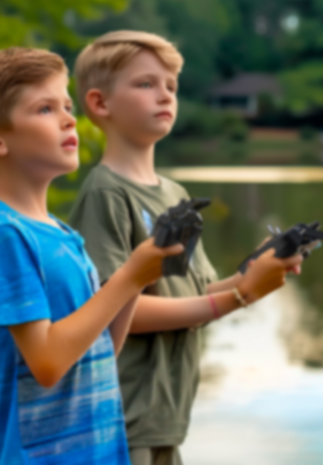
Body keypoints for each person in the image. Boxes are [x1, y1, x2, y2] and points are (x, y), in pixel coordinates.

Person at [66, 30, 302, 465]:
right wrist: (235, 298)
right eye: (146, 84)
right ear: (100, 104)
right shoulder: (105, 192)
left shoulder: (175, 194)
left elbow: (196, 299)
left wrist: (254, 274)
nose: (165, 95)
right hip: (122, 418)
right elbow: (113, 312)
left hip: (166, 419)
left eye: (171, 87)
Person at [0, 47, 182, 464]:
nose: (70, 119)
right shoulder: (1, 234)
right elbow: (48, 363)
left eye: (67, 106)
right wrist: (126, 278)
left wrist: (137, 277)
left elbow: (98, 350)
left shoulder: (61, 233)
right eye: (45, 109)